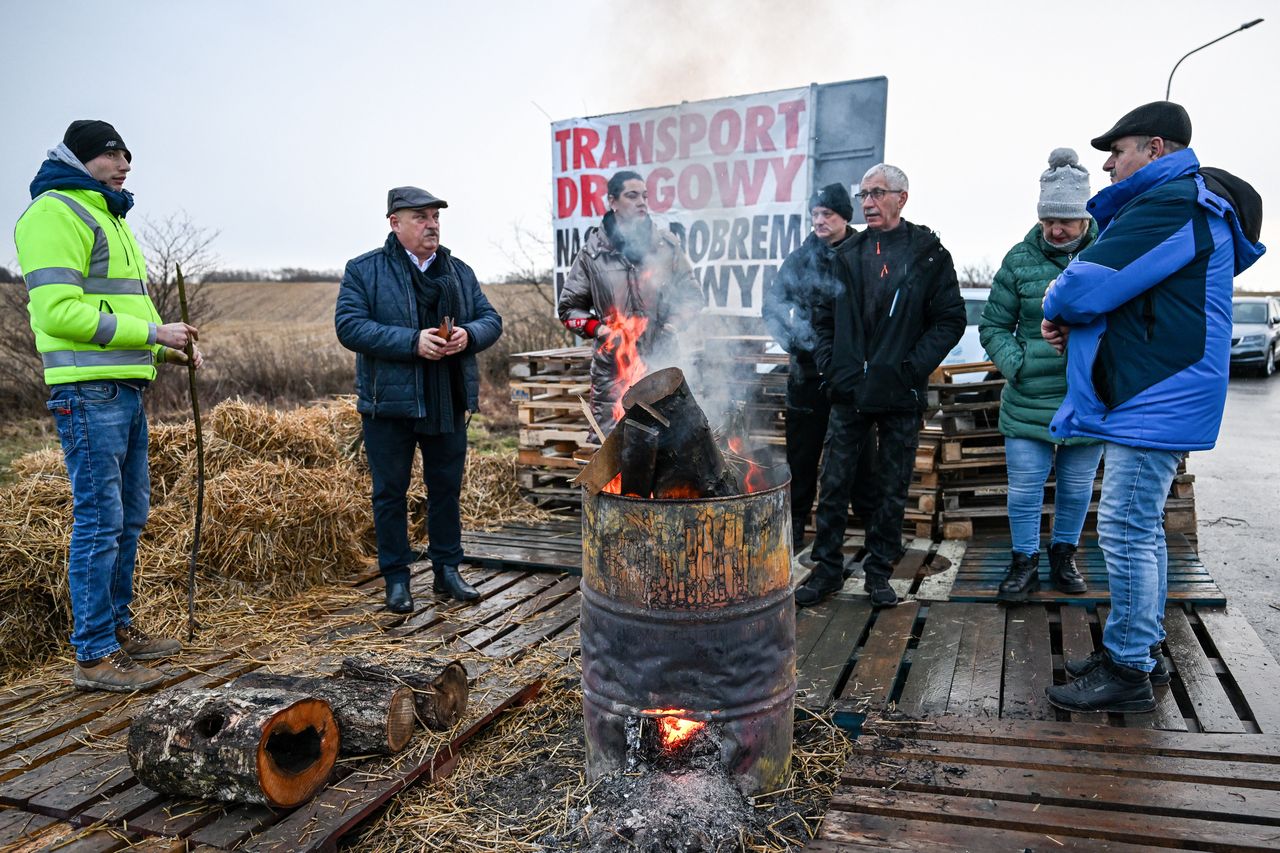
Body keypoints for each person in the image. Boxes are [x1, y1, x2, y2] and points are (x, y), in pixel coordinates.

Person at [1041, 102, 1264, 714]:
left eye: (1119, 150)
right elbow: (1136, 302)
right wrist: (1080, 327)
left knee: (1126, 528)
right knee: (1142, 529)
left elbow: (1086, 284)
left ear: (1156, 148)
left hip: (1154, 395)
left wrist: (1061, 308)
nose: (1109, 163)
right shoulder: (1177, 202)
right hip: (1154, 390)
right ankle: (1141, 645)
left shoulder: (1174, 202)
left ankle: (1129, 668)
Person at [14, 120, 203, 692]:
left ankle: (118, 633)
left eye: (127, 155)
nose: (124, 165)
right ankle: (93, 656)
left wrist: (164, 350)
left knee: (128, 518)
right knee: (100, 522)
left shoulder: (107, 214)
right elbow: (57, 315)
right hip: (87, 393)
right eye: (111, 155)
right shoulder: (55, 212)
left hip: (119, 389)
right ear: (79, 159)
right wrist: (153, 330)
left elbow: (108, 309)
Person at [797, 164, 966, 608]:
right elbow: (822, 320)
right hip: (849, 390)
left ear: (902, 198)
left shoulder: (928, 253)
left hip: (899, 393)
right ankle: (828, 569)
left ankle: (878, 572)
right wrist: (833, 367)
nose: (867, 203)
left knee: (891, 487)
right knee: (834, 482)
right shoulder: (846, 254)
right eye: (864, 194)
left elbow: (951, 320)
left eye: (877, 193)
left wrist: (911, 367)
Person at [335, 187, 503, 613]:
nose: (432, 225)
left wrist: (470, 335)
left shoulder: (459, 271)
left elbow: (490, 319)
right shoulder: (365, 270)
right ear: (395, 223)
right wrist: (413, 342)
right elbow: (350, 327)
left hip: (447, 398)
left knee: (445, 489)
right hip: (388, 405)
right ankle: (397, 578)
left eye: (435, 217)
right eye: (421, 217)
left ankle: (448, 570)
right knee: (390, 493)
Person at [979, 149, 1102, 602]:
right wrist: (1019, 364)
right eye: (1049, 218)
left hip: (1089, 397)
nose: (1056, 229)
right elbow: (993, 325)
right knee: (1026, 488)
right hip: (1030, 396)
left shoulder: (1110, 254)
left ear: (1085, 216)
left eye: (1066, 220)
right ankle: (1023, 562)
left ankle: (1063, 555)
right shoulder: (1018, 260)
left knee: (1074, 487)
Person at [763, 183, 876, 553]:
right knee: (802, 455)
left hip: (854, 375)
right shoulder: (800, 259)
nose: (820, 221)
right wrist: (795, 344)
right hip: (807, 376)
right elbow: (774, 306)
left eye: (827, 214)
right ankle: (794, 531)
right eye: (814, 214)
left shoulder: (866, 254)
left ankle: (870, 532)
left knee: (860, 457)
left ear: (845, 216)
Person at [557, 170, 702, 434]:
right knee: (615, 457)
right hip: (613, 375)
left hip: (662, 366)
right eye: (632, 196)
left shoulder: (667, 247)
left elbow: (692, 296)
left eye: (645, 196)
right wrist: (599, 330)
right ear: (613, 202)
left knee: (668, 451)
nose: (642, 202)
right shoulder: (593, 254)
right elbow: (568, 309)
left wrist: (672, 326)